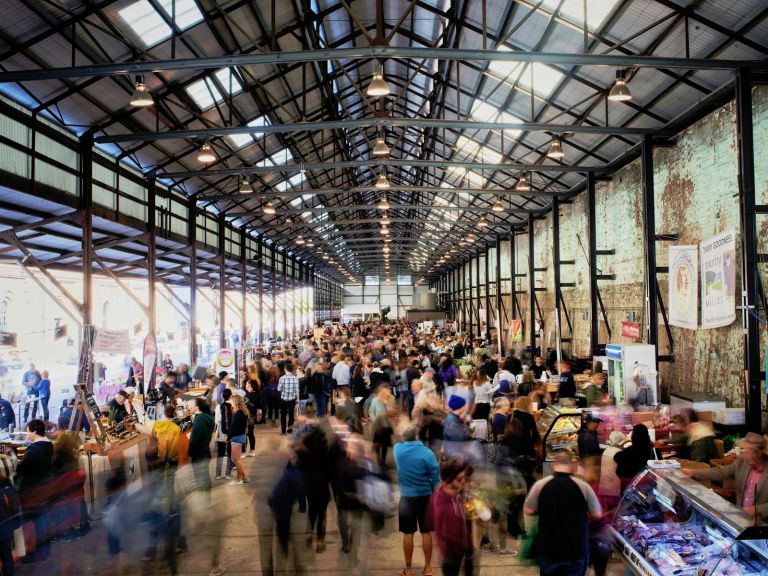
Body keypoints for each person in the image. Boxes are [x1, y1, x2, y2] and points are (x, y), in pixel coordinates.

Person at [524, 450, 602, 576]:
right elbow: (597, 514)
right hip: (576, 548)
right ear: (571, 467)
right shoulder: (583, 486)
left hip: (549, 547)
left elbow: (528, 511)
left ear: (554, 465)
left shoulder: (540, 485)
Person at [682, 432, 768, 519]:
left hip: (761, 521)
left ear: (759, 453)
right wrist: (694, 472)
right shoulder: (743, 463)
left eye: (749, 451)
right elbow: (722, 472)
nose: (745, 454)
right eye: (744, 450)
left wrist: (756, 510)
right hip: (741, 518)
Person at [394, 425, 440, 576]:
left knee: (408, 534)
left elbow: (399, 441)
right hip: (425, 497)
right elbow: (435, 478)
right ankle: (427, 568)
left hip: (406, 498)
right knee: (426, 532)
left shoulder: (397, 450)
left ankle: (408, 570)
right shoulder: (427, 453)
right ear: (417, 437)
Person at [429, 458, 475, 576]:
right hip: (450, 553)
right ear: (449, 480)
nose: (464, 482)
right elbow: (438, 530)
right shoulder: (441, 503)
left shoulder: (458, 493)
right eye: (460, 479)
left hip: (465, 548)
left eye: (465, 478)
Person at [16, 419, 53, 561]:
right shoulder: (47, 446)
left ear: (34, 431)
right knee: (41, 520)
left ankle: (41, 552)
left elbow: (21, 469)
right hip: (43, 486)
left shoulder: (35, 450)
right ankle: (44, 549)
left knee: (37, 521)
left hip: (34, 489)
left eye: (28, 431)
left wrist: (17, 461)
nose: (27, 434)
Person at [614, 424, 654, 492]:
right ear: (647, 435)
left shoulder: (629, 451)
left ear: (634, 436)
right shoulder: (651, 450)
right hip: (647, 486)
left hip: (630, 487)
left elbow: (616, 457)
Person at [188, 398, 215, 493]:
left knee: (199, 477)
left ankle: (203, 497)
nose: (191, 407)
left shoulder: (199, 419)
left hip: (198, 453)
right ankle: (207, 496)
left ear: (197, 407)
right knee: (205, 475)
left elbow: (195, 438)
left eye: (193, 405)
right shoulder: (208, 417)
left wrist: (190, 451)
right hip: (205, 451)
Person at [598, 431, 626, 511]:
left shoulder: (606, 450)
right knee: (615, 511)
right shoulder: (618, 453)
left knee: (609, 508)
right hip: (614, 489)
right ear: (621, 443)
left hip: (604, 487)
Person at [226, 395, 250, 485]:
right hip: (241, 436)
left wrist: (228, 437)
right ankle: (241, 478)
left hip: (236, 437)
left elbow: (233, 427)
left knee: (236, 459)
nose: (230, 403)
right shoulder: (243, 412)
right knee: (237, 459)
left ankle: (243, 478)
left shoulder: (238, 413)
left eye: (231, 401)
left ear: (235, 402)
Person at [214, 389, 233, 480]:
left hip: (220, 432)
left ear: (222, 396)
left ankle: (218, 474)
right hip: (230, 432)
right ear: (230, 395)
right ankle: (228, 474)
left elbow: (216, 421)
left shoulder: (218, 407)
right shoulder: (232, 406)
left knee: (220, 453)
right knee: (229, 453)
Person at [277, 362, 300, 436]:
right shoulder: (295, 378)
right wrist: (298, 399)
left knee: (283, 416)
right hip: (292, 399)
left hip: (283, 399)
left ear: (285, 369)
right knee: (291, 415)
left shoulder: (282, 378)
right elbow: (297, 390)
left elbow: (278, 389)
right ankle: (290, 430)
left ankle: (283, 432)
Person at [243, 379, 259, 457]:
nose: (245, 385)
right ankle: (252, 451)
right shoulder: (256, 394)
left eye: (246, 384)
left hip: (248, 416)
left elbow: (244, 406)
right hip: (253, 415)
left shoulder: (247, 396)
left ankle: (243, 452)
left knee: (245, 433)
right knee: (250, 433)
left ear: (250, 385)